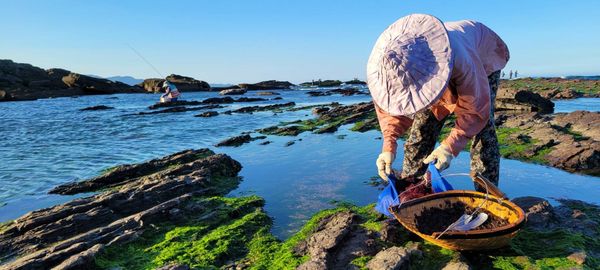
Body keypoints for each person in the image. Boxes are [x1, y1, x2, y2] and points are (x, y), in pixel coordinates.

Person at [367, 14, 509, 193]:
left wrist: (449, 148)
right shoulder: (388, 69)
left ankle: (488, 195)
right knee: (421, 129)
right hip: (428, 64)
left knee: (483, 131)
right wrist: (389, 145)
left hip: (481, 55)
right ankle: (413, 190)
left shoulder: (463, 60)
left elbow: (475, 110)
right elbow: (390, 107)